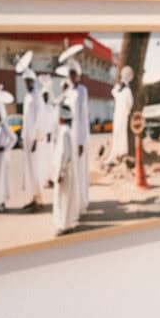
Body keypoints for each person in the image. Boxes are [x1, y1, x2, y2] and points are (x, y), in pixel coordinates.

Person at [59, 59, 91, 212]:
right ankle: (74, 202)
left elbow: (83, 117)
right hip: (69, 136)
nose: (71, 77)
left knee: (81, 170)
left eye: (73, 74)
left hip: (79, 137)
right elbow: (60, 108)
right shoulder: (68, 91)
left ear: (78, 75)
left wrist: (81, 141)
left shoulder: (82, 90)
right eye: (69, 74)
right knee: (72, 171)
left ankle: (82, 202)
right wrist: (63, 92)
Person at [51, 101, 80, 236]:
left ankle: (63, 226)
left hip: (64, 171)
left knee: (62, 199)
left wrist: (60, 172)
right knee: (66, 198)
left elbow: (64, 154)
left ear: (61, 118)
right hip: (67, 170)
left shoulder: (63, 133)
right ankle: (66, 224)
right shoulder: (67, 131)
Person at [19, 65, 43, 211]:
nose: (27, 83)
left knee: (35, 169)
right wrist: (23, 137)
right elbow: (25, 119)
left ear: (33, 81)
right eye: (25, 81)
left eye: (29, 81)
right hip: (27, 138)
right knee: (28, 169)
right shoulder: (27, 96)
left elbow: (39, 120)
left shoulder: (37, 96)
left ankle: (38, 200)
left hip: (33, 140)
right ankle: (32, 197)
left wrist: (35, 139)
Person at [106, 65, 134, 164]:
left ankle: (117, 154)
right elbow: (130, 104)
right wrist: (128, 111)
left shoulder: (119, 91)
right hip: (122, 115)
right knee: (121, 133)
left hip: (118, 115)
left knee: (118, 133)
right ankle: (120, 153)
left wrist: (117, 85)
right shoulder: (127, 91)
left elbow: (113, 91)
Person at [37, 75, 58, 190]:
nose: (45, 97)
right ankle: (45, 179)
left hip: (50, 141)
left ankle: (51, 179)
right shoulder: (40, 110)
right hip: (42, 140)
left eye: (47, 95)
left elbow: (54, 123)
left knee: (51, 160)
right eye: (43, 95)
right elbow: (38, 125)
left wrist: (51, 134)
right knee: (43, 161)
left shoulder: (51, 108)